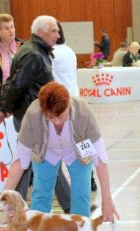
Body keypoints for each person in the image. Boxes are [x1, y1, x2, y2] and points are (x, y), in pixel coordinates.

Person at [0, 15, 71, 215]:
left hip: (33, 116)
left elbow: (15, 83)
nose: (58, 34)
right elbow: (15, 85)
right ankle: (71, 207)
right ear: (41, 32)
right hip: (32, 118)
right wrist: (2, 110)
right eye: (54, 31)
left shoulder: (36, 51)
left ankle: (13, 206)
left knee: (26, 162)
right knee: (47, 160)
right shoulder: (33, 54)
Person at [4, 81, 119, 222]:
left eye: (61, 116)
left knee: (82, 195)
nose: (57, 122)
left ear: (69, 104)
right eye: (50, 117)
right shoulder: (33, 115)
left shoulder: (84, 112)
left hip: (78, 151)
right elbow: (20, 160)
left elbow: (100, 159)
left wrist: (107, 200)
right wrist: (5, 196)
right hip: (45, 152)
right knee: (41, 194)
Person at [52, 21, 97, 195]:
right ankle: (90, 177)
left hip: (60, 103)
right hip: (75, 100)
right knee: (81, 141)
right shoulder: (69, 50)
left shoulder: (52, 53)